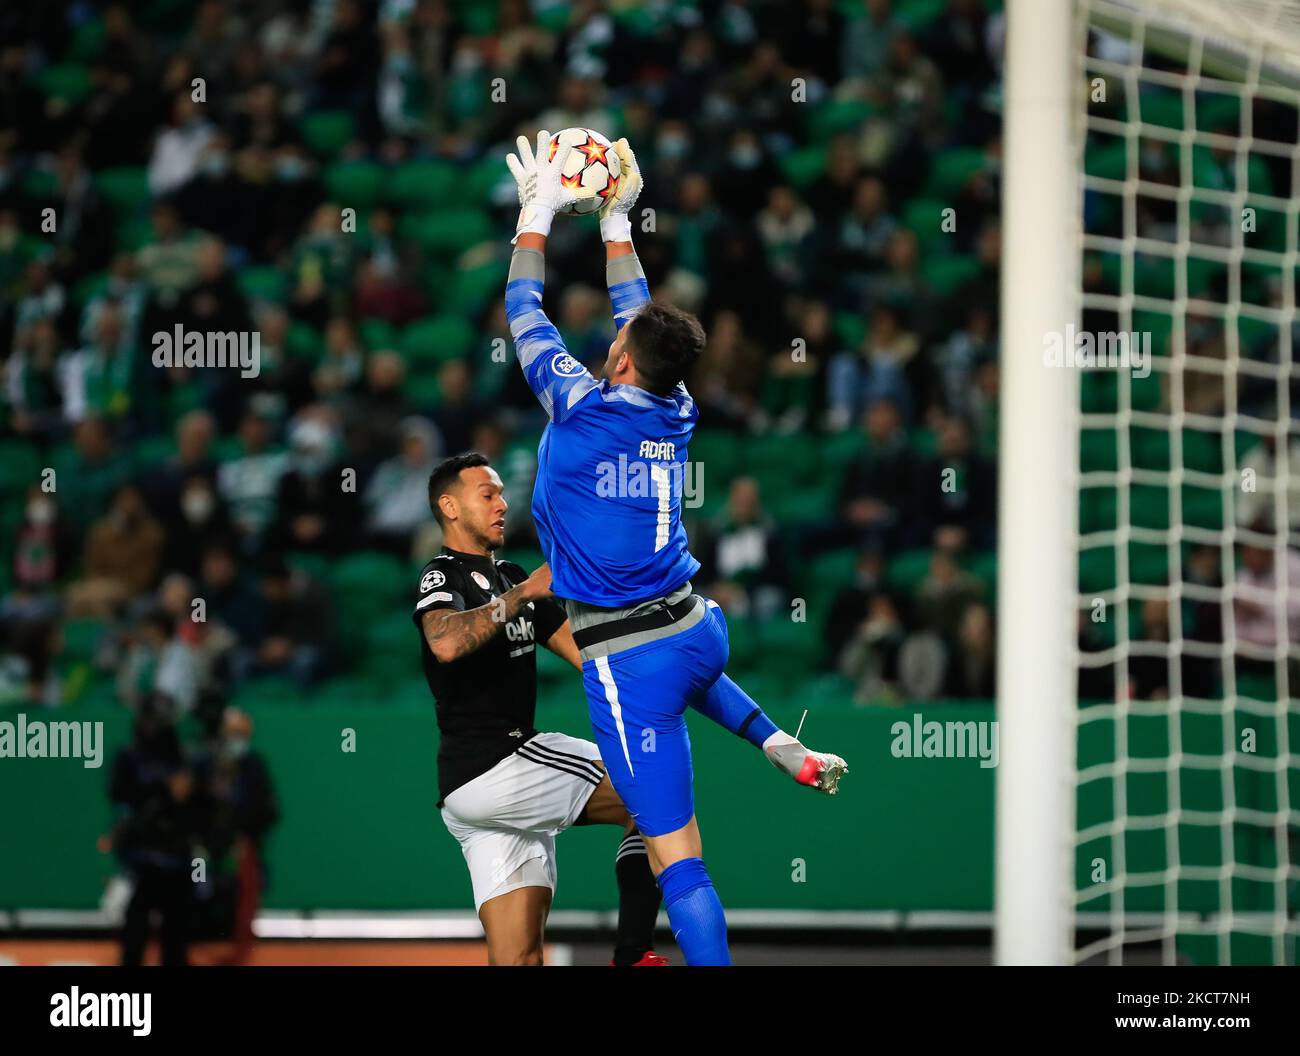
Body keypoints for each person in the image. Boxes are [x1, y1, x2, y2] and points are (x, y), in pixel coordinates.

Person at [502, 131, 848, 965]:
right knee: (673, 813)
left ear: (620, 359)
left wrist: (537, 215)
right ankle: (778, 744)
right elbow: (639, 319)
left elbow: (523, 310)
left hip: (632, 657)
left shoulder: (581, 409)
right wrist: (617, 220)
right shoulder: (676, 405)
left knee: (679, 863)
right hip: (695, 629)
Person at [415, 453, 666, 967]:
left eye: (503, 493)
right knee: (654, 792)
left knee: (520, 959)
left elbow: (586, 652)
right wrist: (525, 592)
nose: (503, 503)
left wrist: (661, 668)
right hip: (497, 762)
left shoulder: (508, 573)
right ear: (450, 506)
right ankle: (633, 952)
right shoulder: (442, 575)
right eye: (487, 494)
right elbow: (444, 640)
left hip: (479, 795)